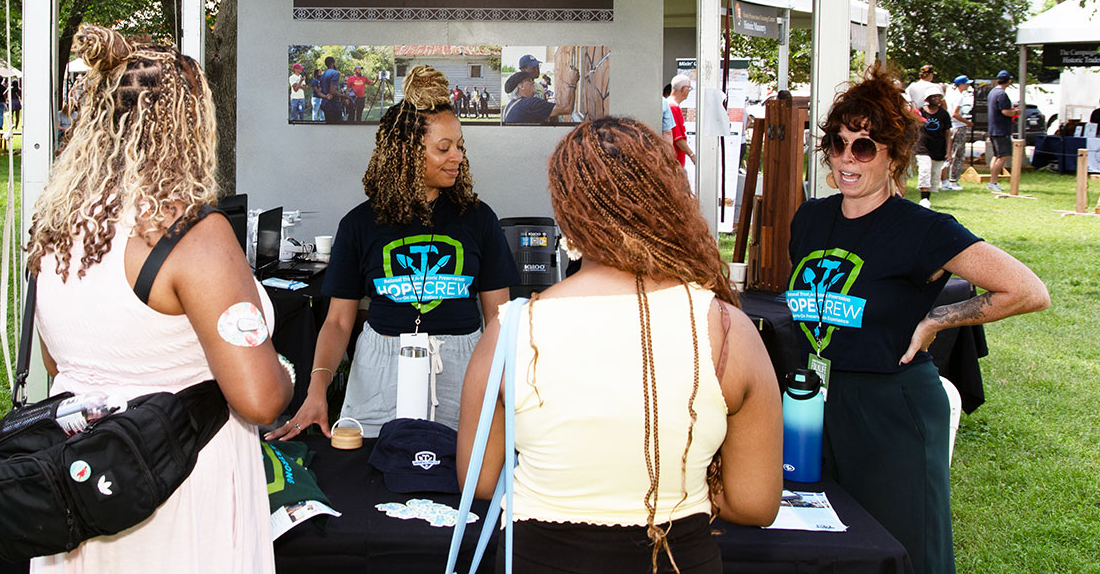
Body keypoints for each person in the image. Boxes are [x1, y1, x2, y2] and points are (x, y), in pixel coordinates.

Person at [459, 117, 782, 574]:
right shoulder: (728, 330)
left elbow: (482, 480)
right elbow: (755, 503)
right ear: (667, 199)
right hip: (674, 557)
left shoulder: (511, 329)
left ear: (566, 215)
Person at [25, 25, 292, 572]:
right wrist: (283, 367)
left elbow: (60, 363)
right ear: (189, 124)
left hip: (83, 491)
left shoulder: (57, 230)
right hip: (179, 494)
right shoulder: (192, 235)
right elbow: (260, 399)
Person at [788, 63, 1048, 574]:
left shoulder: (923, 229)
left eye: (863, 146)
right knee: (820, 547)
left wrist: (937, 321)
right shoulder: (810, 218)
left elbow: (1027, 290)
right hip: (813, 405)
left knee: (906, 548)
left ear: (894, 155)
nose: (846, 158)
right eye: (837, 144)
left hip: (891, 408)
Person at [268, 65, 519, 441]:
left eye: (460, 146)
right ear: (407, 150)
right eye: (444, 148)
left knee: (460, 479)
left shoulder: (479, 220)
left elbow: (499, 319)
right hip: (379, 369)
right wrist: (316, 390)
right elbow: (337, 322)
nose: (457, 157)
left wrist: (503, 389)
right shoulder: (359, 224)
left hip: (464, 367)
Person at [914, 91, 952, 208]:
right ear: (927, 98)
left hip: (938, 147)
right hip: (922, 146)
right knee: (925, 169)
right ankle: (924, 198)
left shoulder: (944, 114)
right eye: (933, 96)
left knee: (934, 173)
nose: (936, 99)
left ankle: (927, 198)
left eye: (938, 97)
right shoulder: (920, 112)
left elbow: (947, 133)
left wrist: (948, 151)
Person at [501, 68, 577, 124]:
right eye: (530, 80)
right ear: (521, 86)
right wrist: (572, 82)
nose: (533, 83)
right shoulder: (529, 103)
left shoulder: (511, 105)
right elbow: (567, 108)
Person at [987, 70, 1020, 192]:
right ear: (1008, 81)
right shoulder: (1002, 94)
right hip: (1002, 129)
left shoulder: (992, 92)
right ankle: (993, 182)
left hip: (993, 128)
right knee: (1004, 156)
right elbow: (1005, 112)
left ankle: (992, 180)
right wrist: (1016, 112)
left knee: (996, 156)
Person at [943, 75, 973, 190]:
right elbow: (955, 114)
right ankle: (953, 180)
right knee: (958, 154)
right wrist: (967, 122)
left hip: (951, 127)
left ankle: (946, 178)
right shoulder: (959, 97)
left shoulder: (949, 95)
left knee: (950, 153)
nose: (968, 86)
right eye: (966, 84)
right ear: (961, 84)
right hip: (958, 127)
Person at [667, 73, 696, 167]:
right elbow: (678, 138)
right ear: (684, 89)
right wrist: (692, 155)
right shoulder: (673, 107)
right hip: (675, 161)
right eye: (689, 89)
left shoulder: (670, 105)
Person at [314, 56, 342, 123]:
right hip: (334, 105)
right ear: (332, 64)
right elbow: (333, 91)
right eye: (335, 62)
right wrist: (344, 96)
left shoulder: (323, 75)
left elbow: (318, 92)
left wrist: (326, 96)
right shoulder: (335, 73)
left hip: (325, 105)